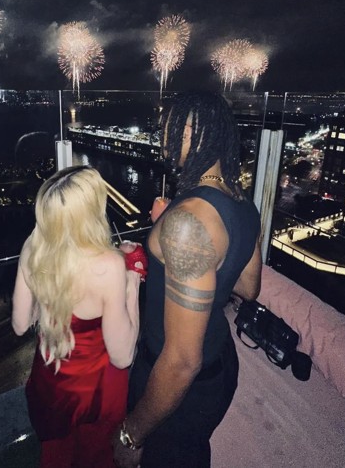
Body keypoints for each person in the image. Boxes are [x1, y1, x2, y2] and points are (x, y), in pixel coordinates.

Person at [113, 92, 262, 468]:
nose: (163, 136)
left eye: (170, 127)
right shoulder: (242, 201)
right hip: (221, 362)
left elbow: (181, 361)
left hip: (179, 385)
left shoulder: (188, 224)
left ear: (194, 133)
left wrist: (131, 435)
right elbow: (248, 288)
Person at [11, 165, 147, 468]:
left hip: (49, 387)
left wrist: (51, 297)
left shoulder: (33, 248)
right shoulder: (108, 265)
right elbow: (123, 356)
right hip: (94, 393)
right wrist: (132, 280)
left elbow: (20, 324)